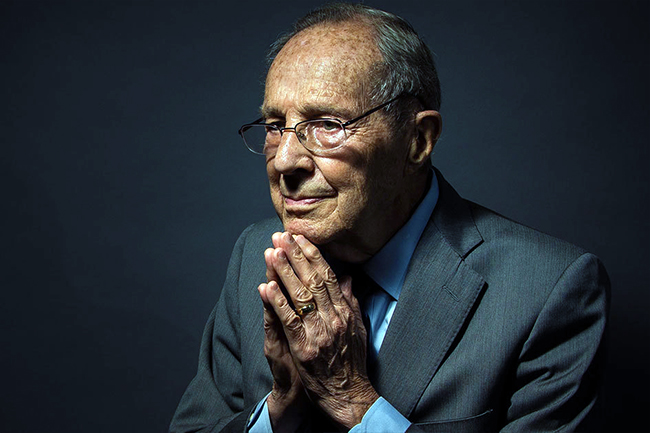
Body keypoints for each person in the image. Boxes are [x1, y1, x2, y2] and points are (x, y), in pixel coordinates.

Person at [170, 4, 609, 432]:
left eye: (327, 124)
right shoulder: (255, 253)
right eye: (273, 125)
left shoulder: (548, 291)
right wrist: (280, 412)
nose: (284, 161)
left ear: (417, 140)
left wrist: (351, 399)